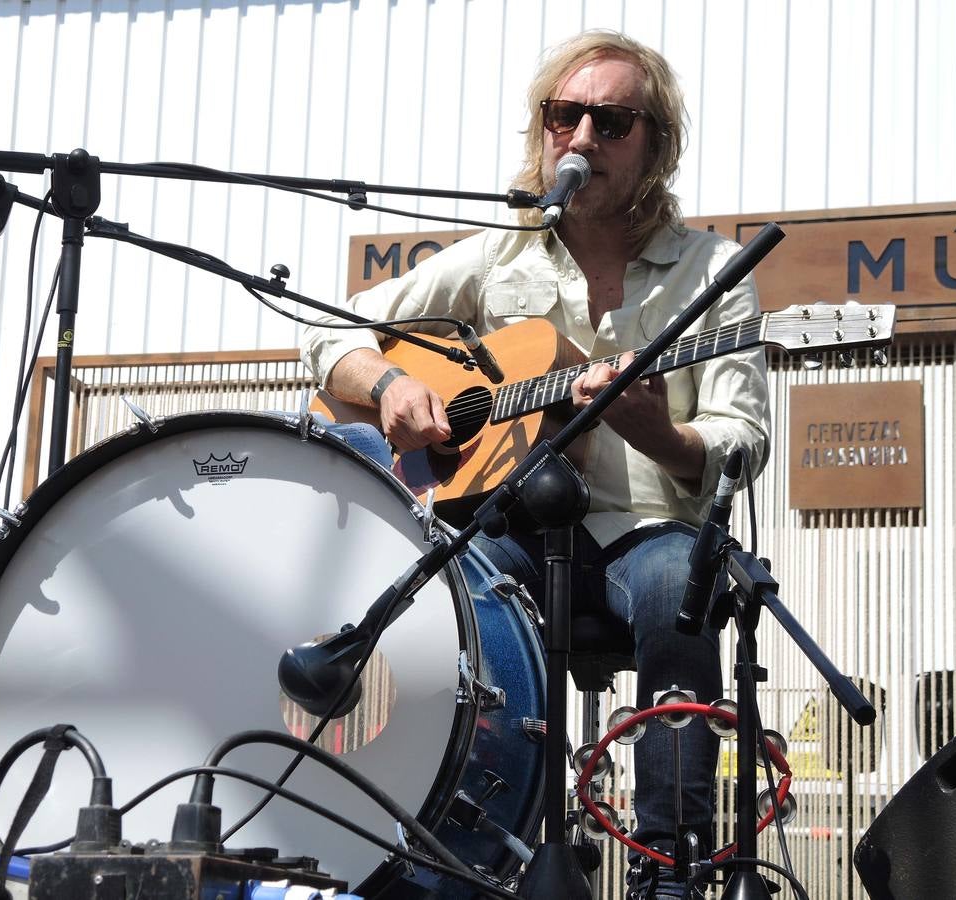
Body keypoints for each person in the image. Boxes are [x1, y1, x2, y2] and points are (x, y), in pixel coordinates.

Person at [300, 29, 770, 899]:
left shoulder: (712, 272)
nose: (582, 137)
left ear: (656, 145)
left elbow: (742, 438)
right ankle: (452, 854)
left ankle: (669, 866)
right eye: (565, 115)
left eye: (612, 122)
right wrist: (391, 383)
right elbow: (329, 329)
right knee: (437, 603)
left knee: (681, 585)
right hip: (510, 527)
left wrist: (657, 432)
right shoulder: (499, 253)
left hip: (647, 532)